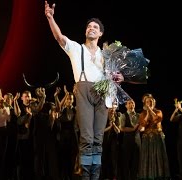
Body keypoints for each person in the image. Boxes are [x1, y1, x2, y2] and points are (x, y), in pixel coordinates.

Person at [45, 2, 124, 179]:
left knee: (98, 139)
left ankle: (94, 176)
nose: (91, 28)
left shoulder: (106, 55)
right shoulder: (76, 48)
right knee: (86, 139)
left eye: (95, 27)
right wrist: (50, 18)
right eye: (89, 26)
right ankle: (85, 176)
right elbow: (59, 37)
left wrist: (120, 78)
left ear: (101, 33)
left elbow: (115, 76)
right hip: (83, 90)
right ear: (86, 32)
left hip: (102, 94)